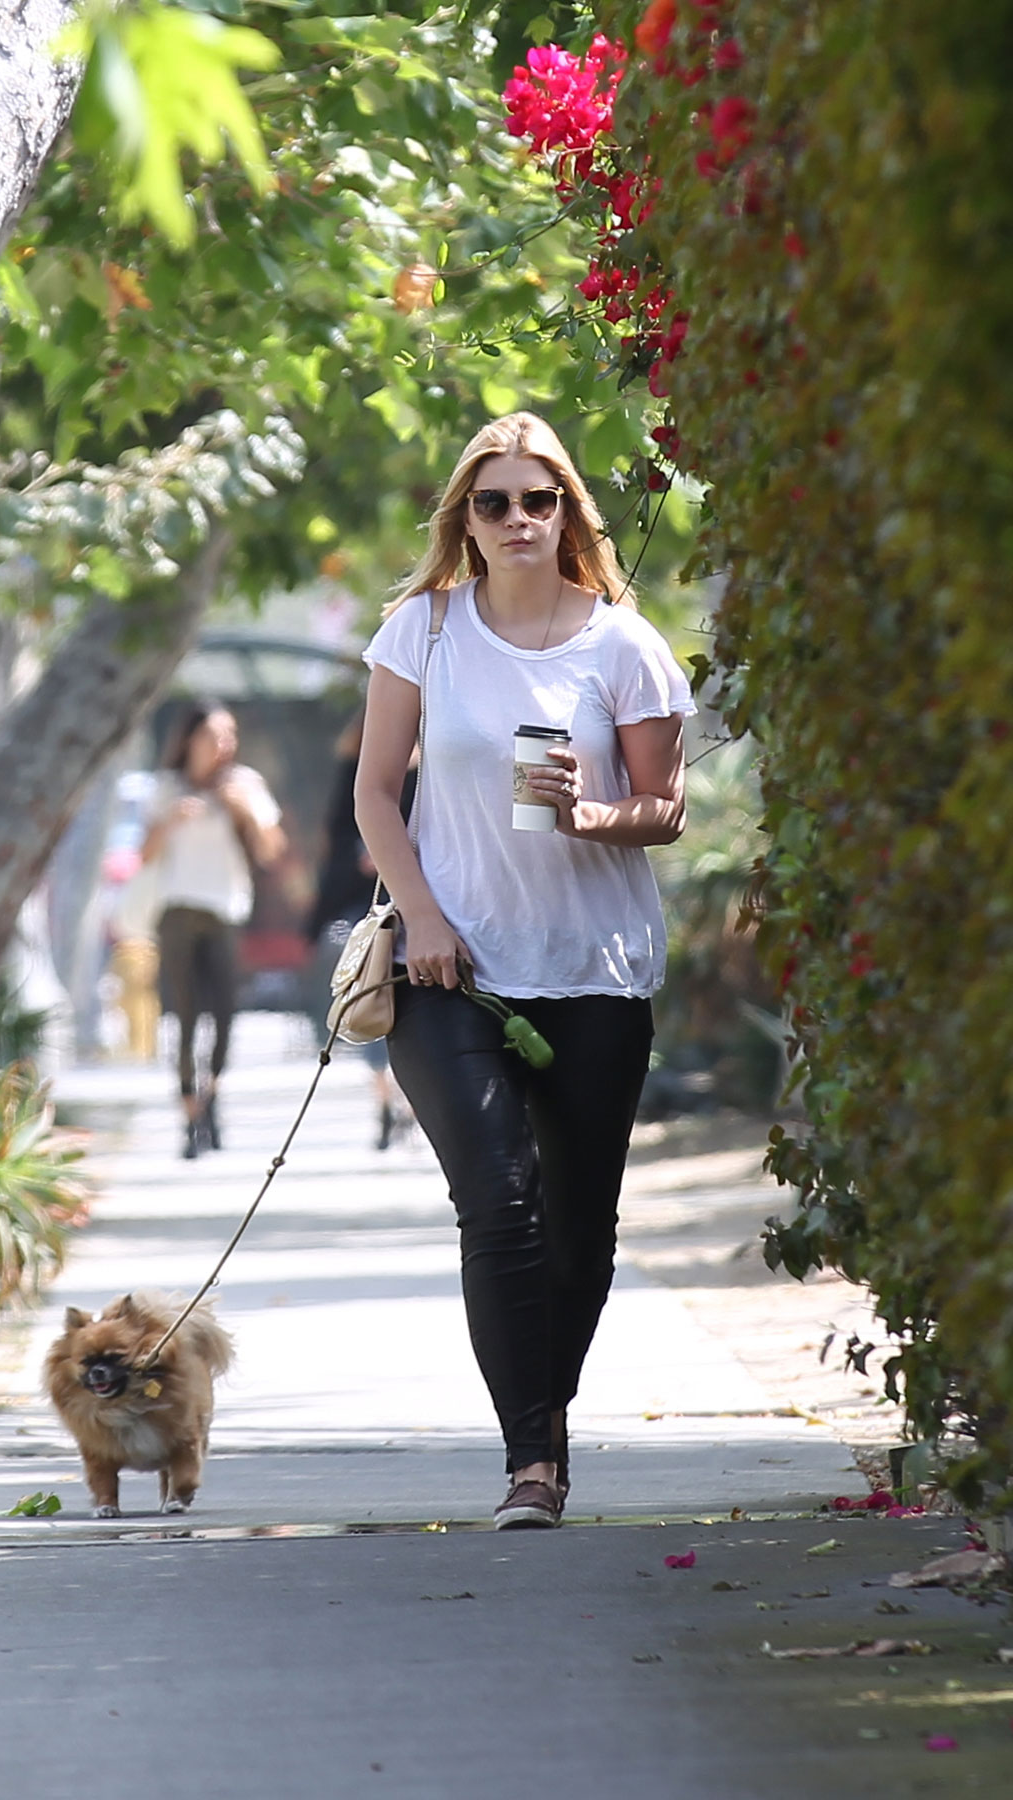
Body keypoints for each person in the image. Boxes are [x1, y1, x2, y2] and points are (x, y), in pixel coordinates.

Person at [354, 412, 696, 1529]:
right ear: (466, 518)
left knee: (580, 1224)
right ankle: (531, 1466)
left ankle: (546, 1421)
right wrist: (423, 918)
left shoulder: (622, 645)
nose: (514, 519)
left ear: (565, 515)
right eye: (492, 502)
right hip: (451, 970)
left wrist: (593, 812)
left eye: (535, 501)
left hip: (594, 972)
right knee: (499, 1206)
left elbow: (665, 810)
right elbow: (374, 793)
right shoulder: (424, 631)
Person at [141, 703, 286, 1158]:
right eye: (214, 734)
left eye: (230, 734)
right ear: (190, 739)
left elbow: (271, 850)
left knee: (224, 1014)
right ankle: (188, 1113)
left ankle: (213, 1097)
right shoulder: (166, 788)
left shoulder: (244, 784)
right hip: (179, 909)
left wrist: (243, 811)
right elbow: (143, 854)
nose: (224, 744)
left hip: (226, 909)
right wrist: (170, 822)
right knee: (182, 1015)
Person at [305, 709, 416, 1150]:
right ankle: (386, 1099)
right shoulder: (357, 768)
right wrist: (363, 856)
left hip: (428, 902)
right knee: (373, 997)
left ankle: (405, 1103)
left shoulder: (437, 769)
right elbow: (335, 835)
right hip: (367, 904)